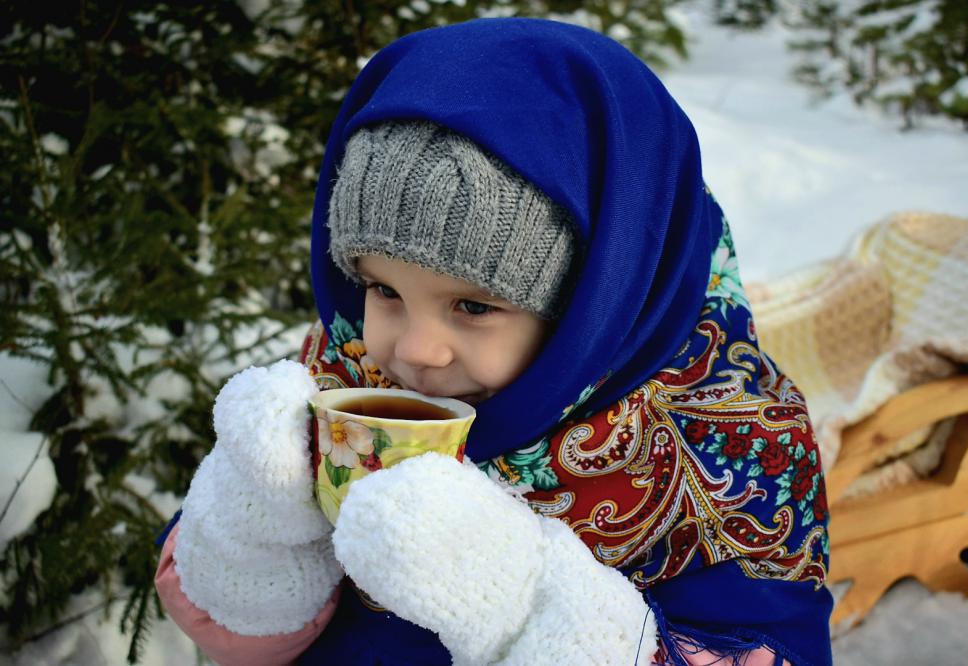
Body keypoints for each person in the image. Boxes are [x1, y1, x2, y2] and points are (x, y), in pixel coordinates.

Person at [155, 17, 833, 666]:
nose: (415, 351)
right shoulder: (343, 375)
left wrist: (525, 610)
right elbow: (243, 642)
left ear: (603, 301)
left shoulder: (728, 445)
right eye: (383, 290)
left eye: (474, 306)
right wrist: (251, 530)